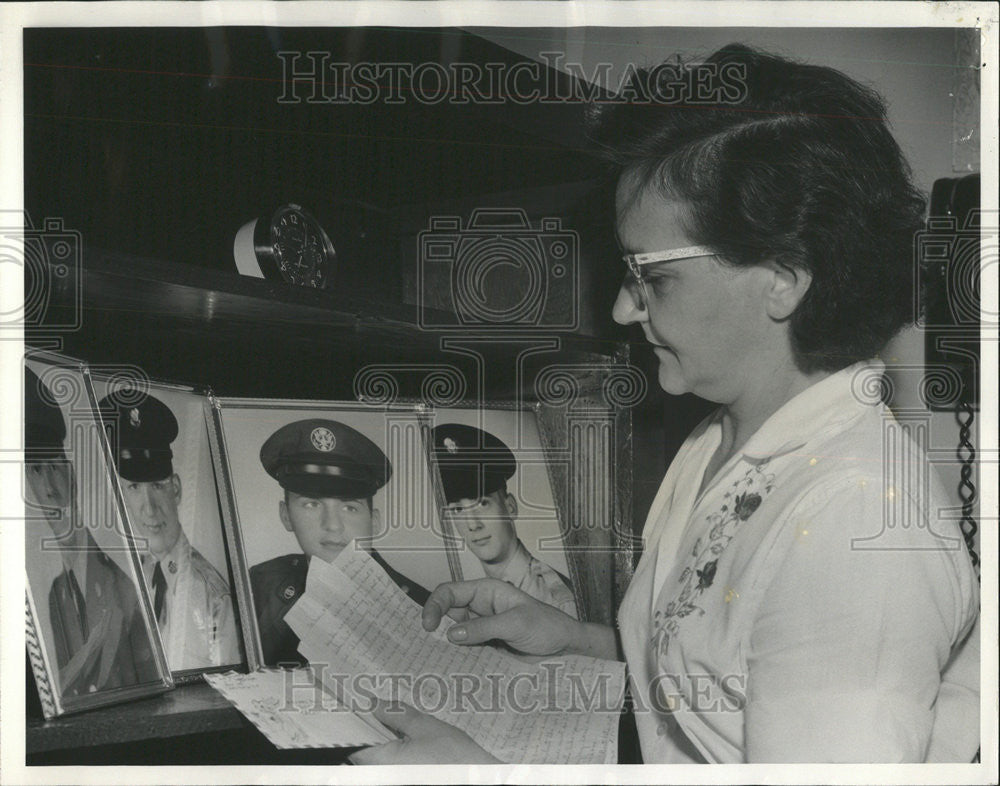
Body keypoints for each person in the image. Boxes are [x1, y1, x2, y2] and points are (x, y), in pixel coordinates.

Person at [352, 44, 980, 764]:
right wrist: (573, 639)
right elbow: (724, 674)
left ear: (782, 278)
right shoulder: (724, 436)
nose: (623, 308)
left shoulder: (853, 530)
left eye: (650, 276)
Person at [24, 365, 160, 699]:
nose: (51, 489)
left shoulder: (122, 585)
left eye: (55, 466)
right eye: (36, 471)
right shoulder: (57, 592)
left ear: (71, 474)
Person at [251, 418, 430, 666]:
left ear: (374, 521)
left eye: (349, 507)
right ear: (286, 516)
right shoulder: (257, 587)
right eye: (312, 504)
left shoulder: (421, 608)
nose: (333, 525)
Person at [97, 392, 240, 671]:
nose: (149, 509)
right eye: (134, 488)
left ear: (175, 488)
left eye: (158, 486)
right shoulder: (129, 581)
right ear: (121, 496)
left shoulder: (214, 598)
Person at [431, 423, 577, 618]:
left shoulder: (557, 603)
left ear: (510, 507)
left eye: (483, 503)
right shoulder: (473, 603)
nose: (473, 524)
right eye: (458, 509)